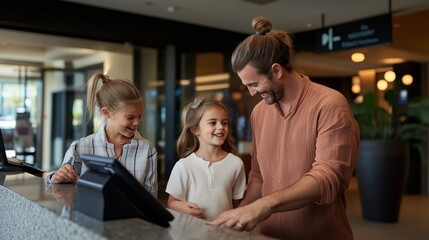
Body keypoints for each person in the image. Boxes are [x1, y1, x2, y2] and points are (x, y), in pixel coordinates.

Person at [210, 16, 360, 240]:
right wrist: (240, 212)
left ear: (277, 71)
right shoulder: (259, 112)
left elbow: (328, 176)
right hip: (270, 235)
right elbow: (259, 175)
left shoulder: (330, 104)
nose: (251, 93)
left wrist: (267, 204)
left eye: (254, 84)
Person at [45, 73, 158, 198]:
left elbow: (151, 198)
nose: (137, 122)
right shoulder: (79, 148)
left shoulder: (148, 150)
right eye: (130, 117)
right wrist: (55, 177)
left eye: (140, 115)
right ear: (106, 113)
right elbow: (61, 187)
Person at [165, 97, 247, 221]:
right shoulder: (183, 166)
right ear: (195, 129)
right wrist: (183, 207)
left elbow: (237, 204)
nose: (220, 127)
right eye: (213, 122)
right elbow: (171, 202)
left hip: (224, 233)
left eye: (224, 122)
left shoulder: (236, 164)